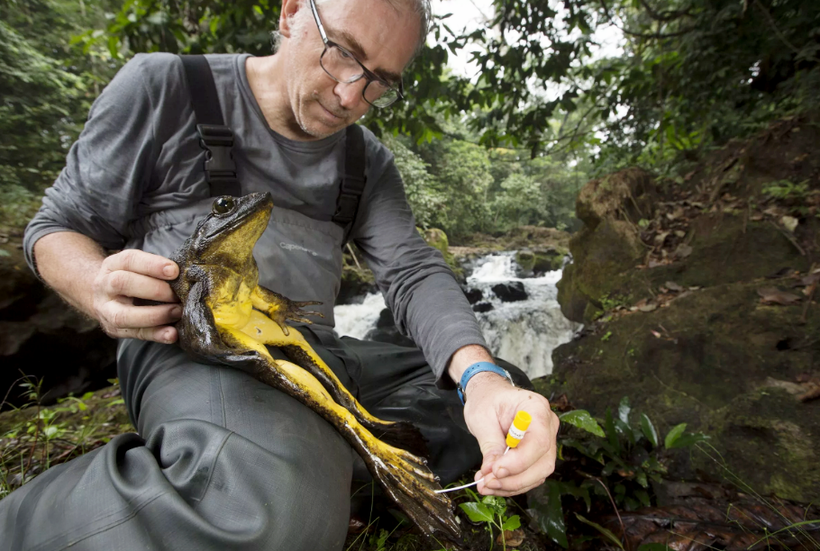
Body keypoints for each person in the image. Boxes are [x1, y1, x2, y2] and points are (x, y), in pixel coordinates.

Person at [0, 0, 559, 548]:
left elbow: (412, 272)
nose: (350, 96)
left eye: (378, 82)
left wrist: (481, 382)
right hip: (198, 348)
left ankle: (299, 465)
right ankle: (32, 524)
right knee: (272, 513)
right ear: (291, 13)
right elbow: (58, 226)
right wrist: (96, 286)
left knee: (502, 405)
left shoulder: (367, 162)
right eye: (342, 54)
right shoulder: (164, 85)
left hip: (311, 352)